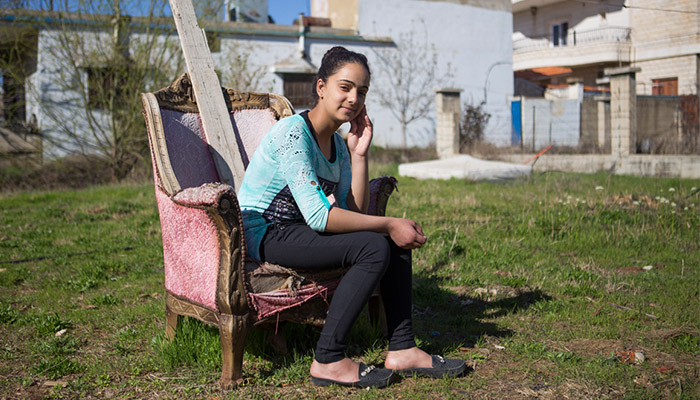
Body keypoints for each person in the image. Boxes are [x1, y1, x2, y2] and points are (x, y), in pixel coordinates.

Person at [238, 46, 466, 388]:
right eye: (345, 87)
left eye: (362, 91)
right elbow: (320, 216)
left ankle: (402, 348)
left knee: (389, 242)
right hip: (267, 231)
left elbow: (355, 213)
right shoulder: (293, 133)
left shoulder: (338, 144)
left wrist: (359, 154)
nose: (354, 98)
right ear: (321, 87)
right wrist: (390, 222)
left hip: (298, 230)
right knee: (376, 245)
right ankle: (328, 360)